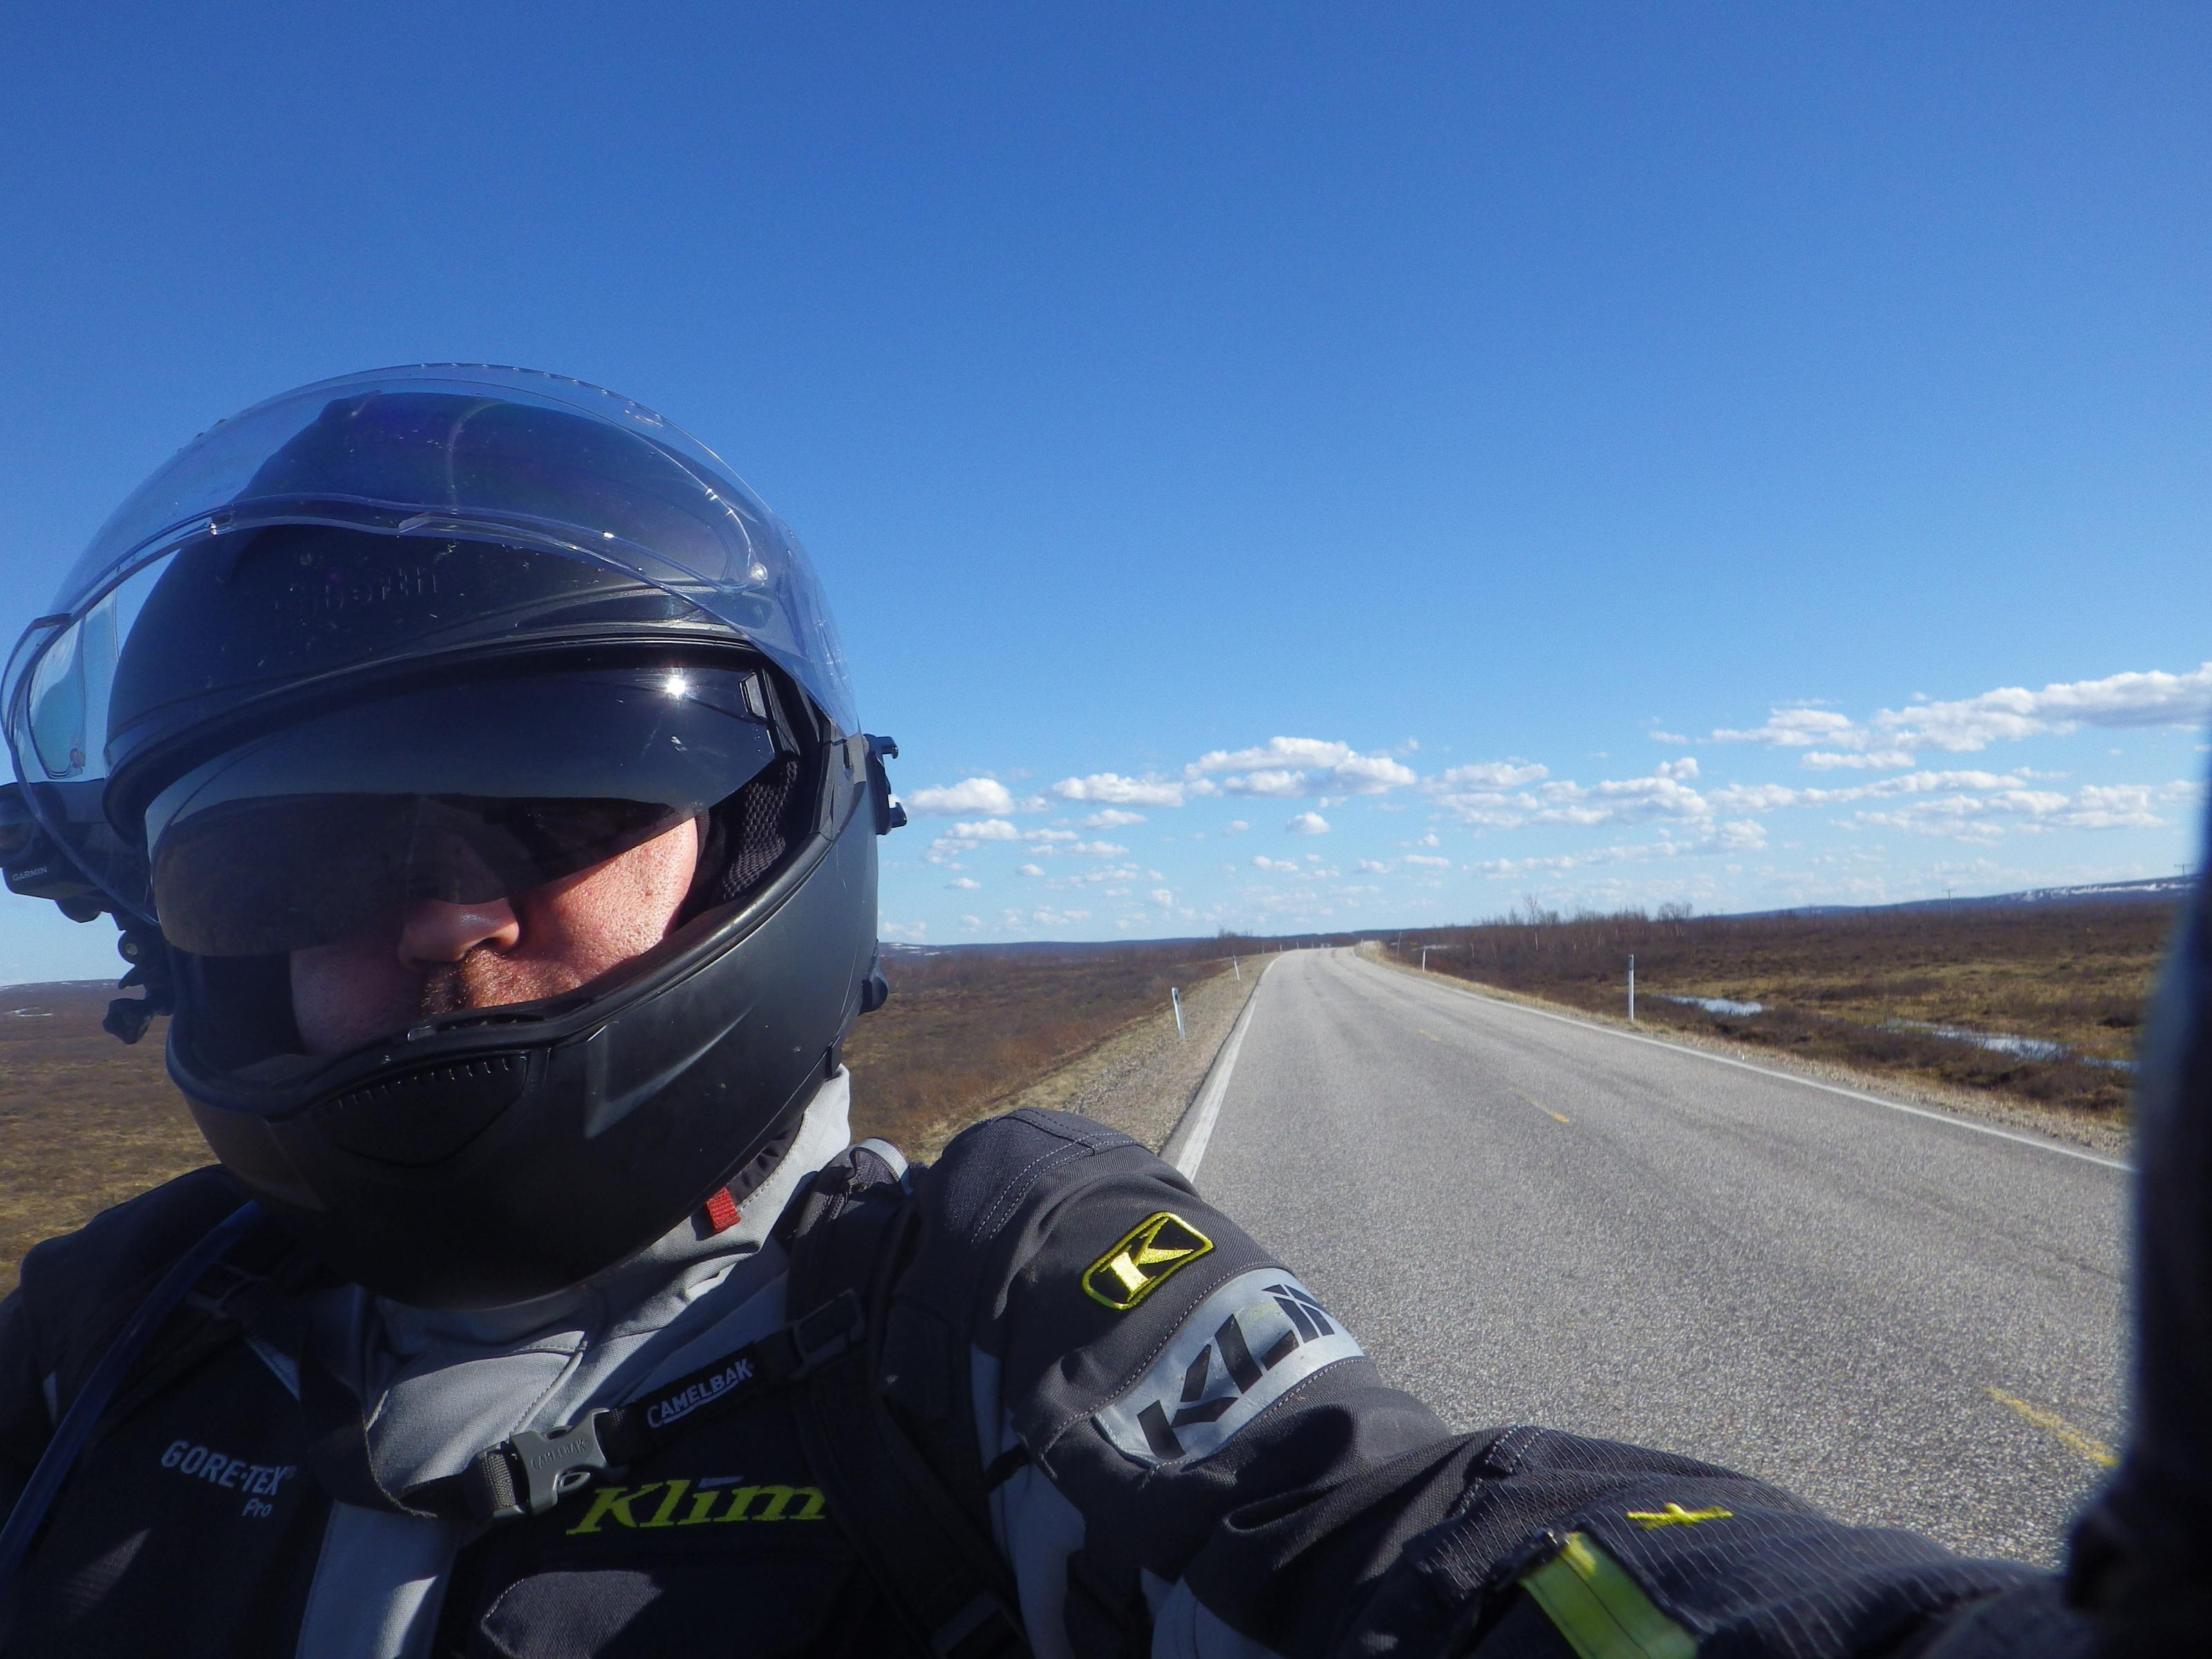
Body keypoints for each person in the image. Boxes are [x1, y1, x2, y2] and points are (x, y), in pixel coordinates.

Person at [0, 365, 2185, 1658]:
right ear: (183, 945)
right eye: (282, 867)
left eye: (553, 806)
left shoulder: (989, 1313)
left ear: (768, 835)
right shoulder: (113, 1334)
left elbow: (1392, 1544)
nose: (441, 920)